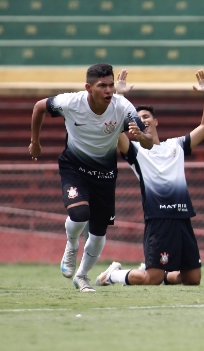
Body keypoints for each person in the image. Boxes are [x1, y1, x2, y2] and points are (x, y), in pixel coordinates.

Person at [29, 63, 153, 292]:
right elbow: (38, 107)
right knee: (78, 214)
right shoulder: (71, 102)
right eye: (102, 85)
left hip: (104, 175)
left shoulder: (123, 107)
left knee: (98, 234)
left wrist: (140, 136)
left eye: (111, 85)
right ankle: (71, 244)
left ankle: (82, 275)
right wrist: (35, 142)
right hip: (74, 168)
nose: (108, 90)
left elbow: (147, 140)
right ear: (88, 88)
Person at [94, 69, 204, 287]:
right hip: (158, 219)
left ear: (155, 122)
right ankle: (113, 275)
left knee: (192, 279)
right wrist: (118, 97)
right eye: (137, 119)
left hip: (182, 217)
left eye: (146, 117)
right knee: (152, 279)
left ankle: (154, 271)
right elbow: (114, 132)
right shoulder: (136, 151)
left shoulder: (175, 145)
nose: (143, 120)